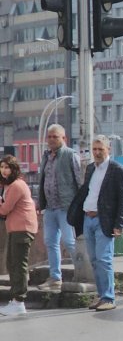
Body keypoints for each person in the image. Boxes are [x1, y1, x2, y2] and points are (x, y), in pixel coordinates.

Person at [68, 136, 123, 312]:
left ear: (108, 150)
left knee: (104, 259)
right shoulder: (90, 169)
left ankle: (109, 297)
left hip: (104, 220)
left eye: (100, 149)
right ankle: (102, 295)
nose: (96, 153)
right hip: (88, 219)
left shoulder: (117, 170)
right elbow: (87, 191)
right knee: (94, 260)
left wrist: (119, 223)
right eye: (94, 149)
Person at [33, 124, 82, 293]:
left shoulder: (70, 155)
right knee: (50, 242)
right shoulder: (46, 156)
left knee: (69, 241)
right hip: (50, 207)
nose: (52, 140)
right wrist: (40, 201)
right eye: (50, 137)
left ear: (64, 138)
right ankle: (55, 277)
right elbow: (43, 180)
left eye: (56, 137)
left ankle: (82, 273)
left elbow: (79, 180)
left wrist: (79, 204)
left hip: (66, 206)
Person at [0, 157, 38, 316]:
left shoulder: (16, 185)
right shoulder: (9, 185)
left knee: (18, 264)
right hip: (16, 228)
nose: (4, 170)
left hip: (22, 228)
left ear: (14, 169)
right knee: (12, 263)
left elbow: (4, 209)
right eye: (2, 167)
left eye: (7, 167)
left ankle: (19, 301)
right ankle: (16, 300)